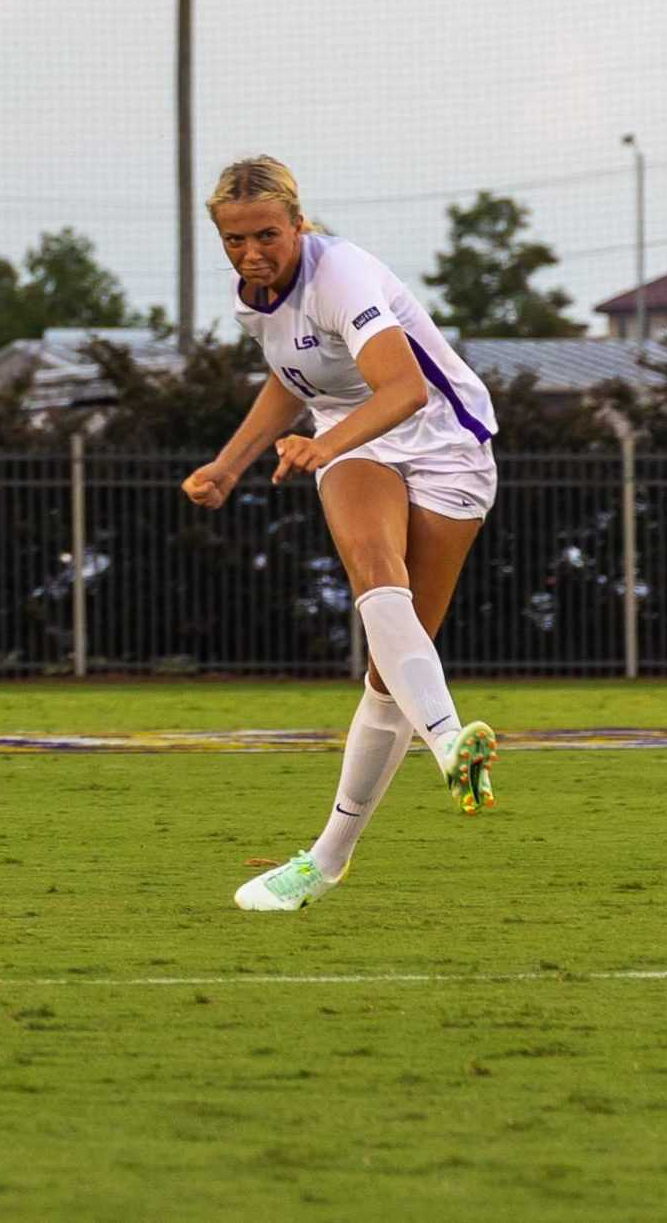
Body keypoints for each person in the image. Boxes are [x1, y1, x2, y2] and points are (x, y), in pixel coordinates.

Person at [181, 156, 502, 913]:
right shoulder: (254, 298)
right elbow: (293, 378)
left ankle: (326, 860)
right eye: (234, 240)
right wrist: (230, 465)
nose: (252, 254)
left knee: (391, 673)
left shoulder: (343, 273)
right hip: (355, 443)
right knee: (371, 568)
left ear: (298, 222)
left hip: (448, 444)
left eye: (266, 235)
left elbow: (406, 386)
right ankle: (453, 744)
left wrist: (321, 445)